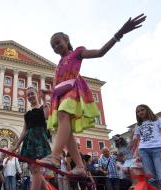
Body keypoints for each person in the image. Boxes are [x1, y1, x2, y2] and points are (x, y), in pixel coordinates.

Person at [38, 14, 146, 176]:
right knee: (66, 131)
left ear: (66, 40)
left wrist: (119, 34)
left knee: (62, 115)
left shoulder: (77, 53)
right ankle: (81, 166)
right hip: (62, 95)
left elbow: (101, 52)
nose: (56, 47)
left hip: (73, 92)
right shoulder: (59, 64)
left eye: (58, 43)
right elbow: (59, 84)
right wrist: (48, 92)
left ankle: (54, 157)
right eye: (53, 46)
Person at [11, 86, 53, 190]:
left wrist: (44, 99)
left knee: (35, 170)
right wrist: (17, 145)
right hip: (29, 140)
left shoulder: (43, 106)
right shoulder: (27, 113)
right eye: (28, 95)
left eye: (32, 94)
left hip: (39, 139)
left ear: (37, 94)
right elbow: (24, 129)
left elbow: (46, 116)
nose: (30, 96)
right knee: (34, 170)